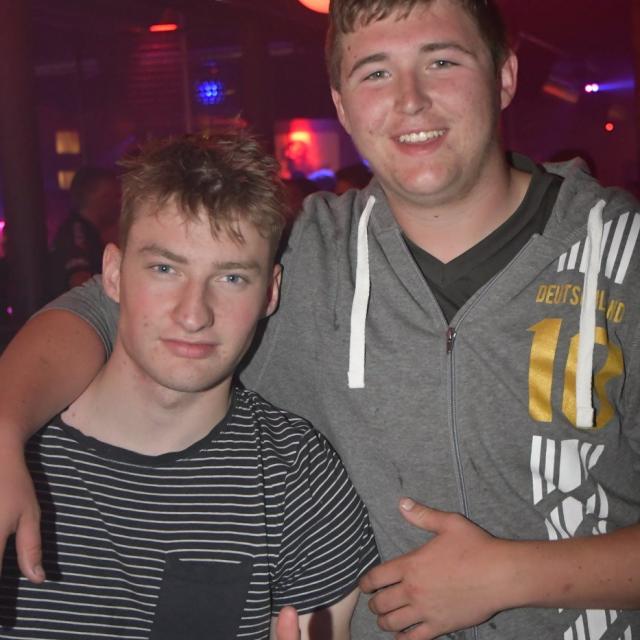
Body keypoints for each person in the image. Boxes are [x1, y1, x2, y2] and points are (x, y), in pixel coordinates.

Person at [0, 0, 639, 638]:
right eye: (376, 72)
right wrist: (4, 429)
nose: (410, 100)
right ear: (341, 105)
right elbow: (103, 312)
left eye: (442, 61)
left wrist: (510, 577)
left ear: (504, 75)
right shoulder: (304, 254)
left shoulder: (624, 255)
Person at [0, 133, 378, 639]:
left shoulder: (298, 476)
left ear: (271, 293)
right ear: (112, 274)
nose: (194, 314)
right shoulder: (15, 458)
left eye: (231, 278)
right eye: (165, 269)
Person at [48, 166, 120, 296]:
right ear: (97, 197)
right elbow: (79, 280)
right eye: (113, 196)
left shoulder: (90, 232)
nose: (118, 203)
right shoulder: (76, 231)